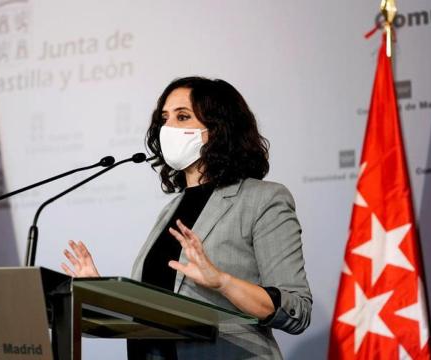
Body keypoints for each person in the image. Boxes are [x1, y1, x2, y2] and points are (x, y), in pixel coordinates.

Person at [61, 77, 312, 359]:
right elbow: (153, 312)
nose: (168, 128)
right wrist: (102, 293)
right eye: (164, 119)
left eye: (183, 117)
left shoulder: (263, 199)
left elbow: (297, 309)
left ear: (218, 129)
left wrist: (222, 282)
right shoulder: (172, 208)